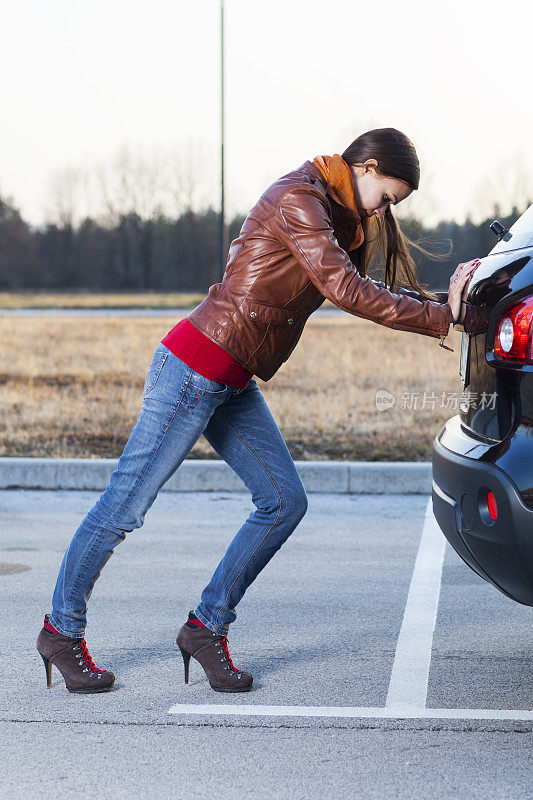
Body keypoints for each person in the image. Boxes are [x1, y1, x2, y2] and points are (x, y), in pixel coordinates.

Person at [36, 127, 480, 694]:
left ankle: (205, 628)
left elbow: (368, 285)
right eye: (388, 196)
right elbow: (346, 289)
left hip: (229, 379)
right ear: (366, 168)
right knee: (124, 506)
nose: (386, 210)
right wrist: (444, 319)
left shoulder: (335, 213)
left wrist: (448, 305)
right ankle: (60, 631)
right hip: (192, 371)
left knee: (283, 502)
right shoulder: (301, 199)